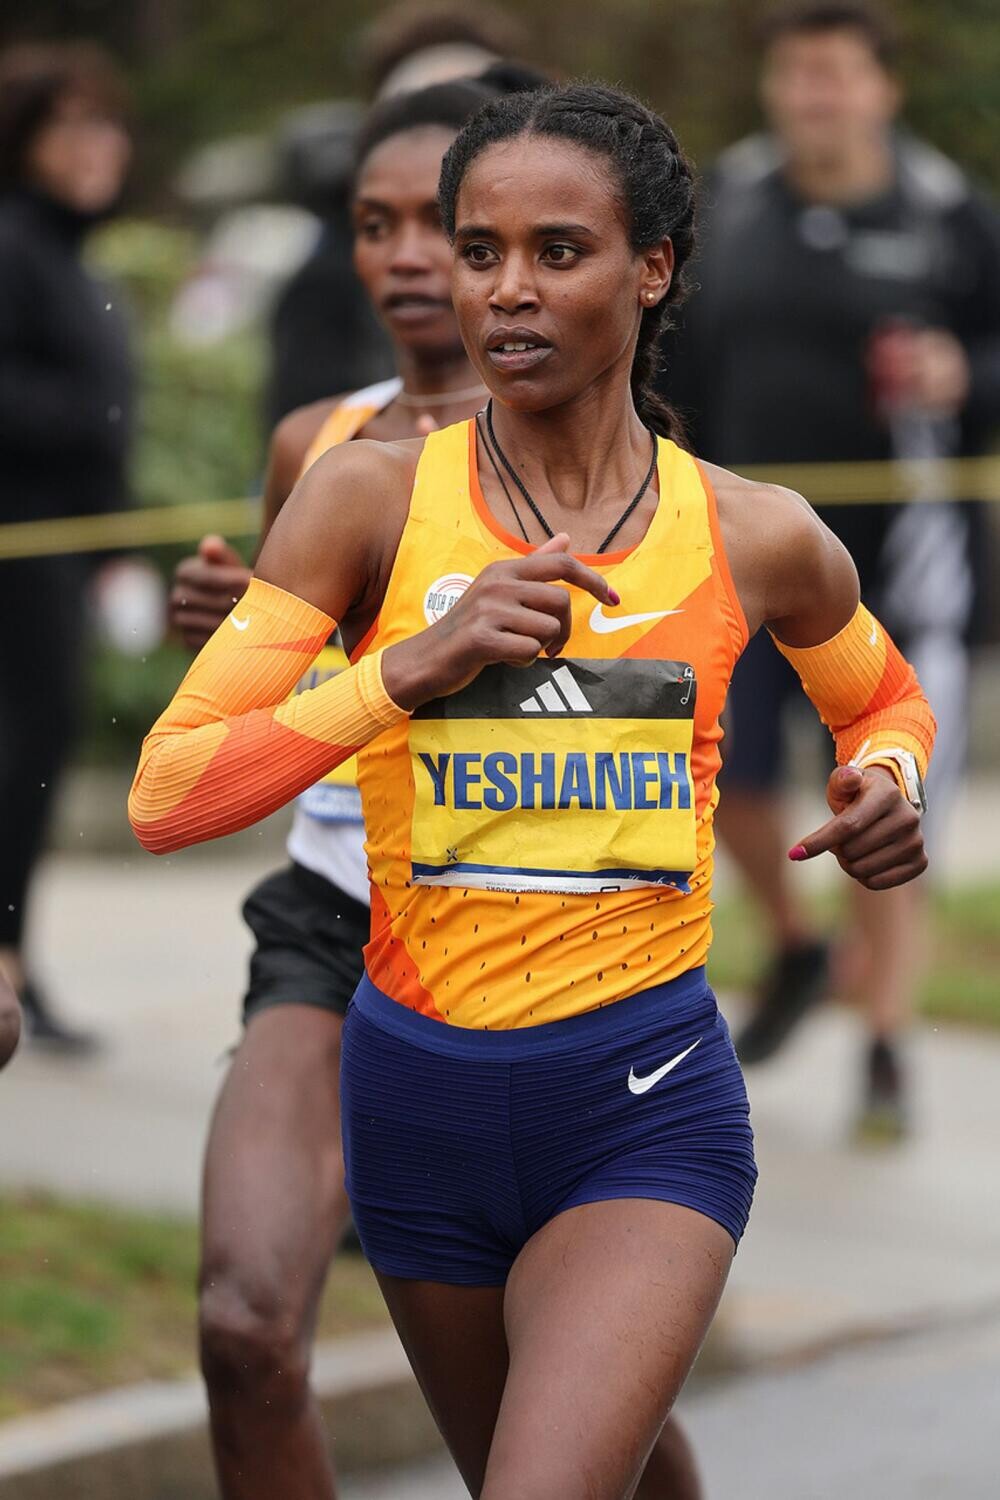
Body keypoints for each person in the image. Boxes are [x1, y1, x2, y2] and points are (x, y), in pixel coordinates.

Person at [130, 82, 932, 1500]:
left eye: (558, 251)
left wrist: (886, 775)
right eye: (478, 250)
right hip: (416, 1103)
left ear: (652, 267)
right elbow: (169, 794)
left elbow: (883, 700)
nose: (504, 289)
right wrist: (405, 670)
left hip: (644, 1102)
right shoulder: (364, 498)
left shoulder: (756, 533)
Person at [662, 0, 1000, 1137]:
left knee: (885, 798)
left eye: (838, 74)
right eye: (797, 73)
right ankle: (801, 943)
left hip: (905, 567)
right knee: (723, 775)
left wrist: (964, 375)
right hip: (743, 558)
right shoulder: (728, 203)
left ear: (882, 89)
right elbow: (672, 361)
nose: (816, 95)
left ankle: (888, 1044)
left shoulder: (949, 213)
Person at [0, 43, 133, 1054]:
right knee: (19, 753)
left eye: (106, 123)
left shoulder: (72, 257)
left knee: (36, 751)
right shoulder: (13, 246)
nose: (97, 146)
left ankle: (13, 959)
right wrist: (83, 412)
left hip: (63, 549)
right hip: (18, 543)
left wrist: (113, 540)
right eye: (69, 124)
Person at [266, 1, 532, 424]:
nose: (406, 258)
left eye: (443, 222)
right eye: (375, 227)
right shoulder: (317, 431)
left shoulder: (594, 425)